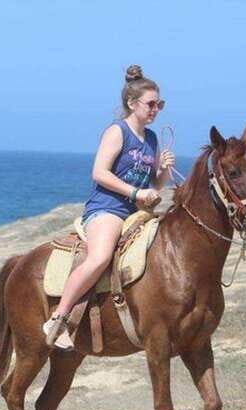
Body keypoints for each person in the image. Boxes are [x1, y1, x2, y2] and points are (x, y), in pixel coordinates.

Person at [43, 65, 175, 349]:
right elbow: (99, 172)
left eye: (159, 105)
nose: (156, 110)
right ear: (132, 103)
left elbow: (152, 184)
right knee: (100, 257)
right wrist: (136, 192)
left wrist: (162, 173)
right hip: (108, 208)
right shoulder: (118, 132)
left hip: (136, 212)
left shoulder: (151, 138)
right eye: (151, 104)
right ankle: (58, 318)